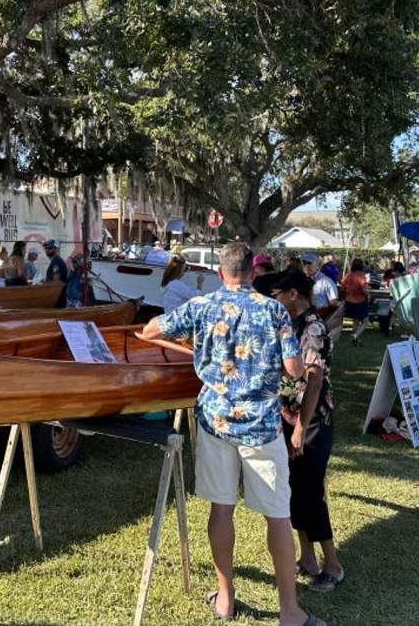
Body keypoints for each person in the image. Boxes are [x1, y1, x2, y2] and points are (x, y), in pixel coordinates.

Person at [141, 242, 327, 626]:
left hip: (215, 422)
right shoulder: (274, 310)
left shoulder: (201, 306)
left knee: (221, 509)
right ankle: (289, 611)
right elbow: (294, 370)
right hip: (261, 424)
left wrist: (194, 345)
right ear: (252, 273)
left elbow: (148, 330)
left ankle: (225, 597)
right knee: (277, 516)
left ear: (221, 272)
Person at [272, 269, 343, 592]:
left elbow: (313, 383)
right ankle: (307, 557)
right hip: (289, 418)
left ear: (293, 295)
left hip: (311, 421)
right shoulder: (291, 324)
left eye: (277, 294)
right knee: (294, 490)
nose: (273, 299)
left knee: (310, 492)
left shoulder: (312, 328)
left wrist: (301, 427)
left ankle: (332, 564)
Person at [341, 258, 370, 345]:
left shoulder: (349, 275)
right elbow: (364, 290)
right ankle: (355, 335)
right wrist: (368, 295)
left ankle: (355, 338)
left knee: (356, 320)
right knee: (366, 321)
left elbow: (342, 285)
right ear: (361, 266)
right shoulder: (361, 276)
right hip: (359, 301)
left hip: (349, 301)